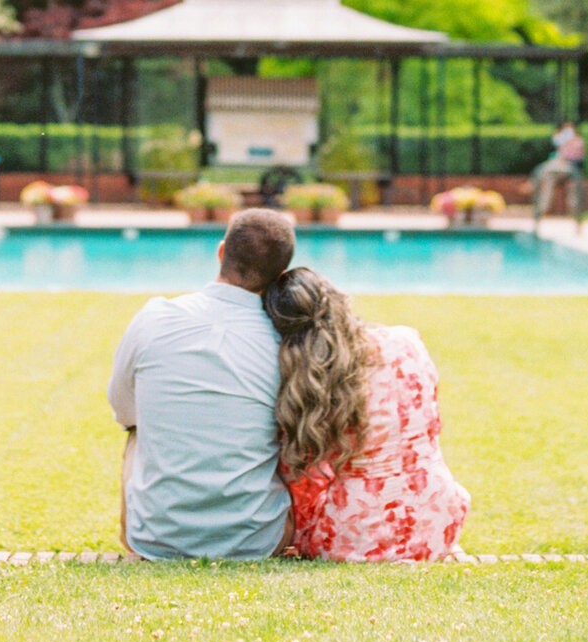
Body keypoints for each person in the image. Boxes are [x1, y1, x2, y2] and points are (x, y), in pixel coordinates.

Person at [105, 206, 297, 560]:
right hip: (259, 540)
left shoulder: (155, 317)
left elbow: (121, 408)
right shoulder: (284, 342)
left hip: (155, 539)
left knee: (135, 429)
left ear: (221, 251)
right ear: (280, 275)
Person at [262, 266, 469, 562]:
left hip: (359, 534)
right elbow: (432, 425)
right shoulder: (406, 341)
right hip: (439, 514)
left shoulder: (315, 378)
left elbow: (303, 481)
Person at [532, 120, 586, 217]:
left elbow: (577, 158)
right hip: (555, 172)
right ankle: (541, 209)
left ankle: (575, 214)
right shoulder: (562, 144)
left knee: (573, 194)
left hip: (570, 170)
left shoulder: (578, 142)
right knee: (547, 182)